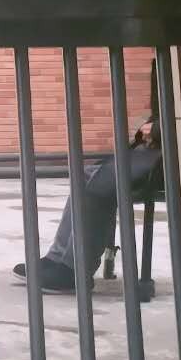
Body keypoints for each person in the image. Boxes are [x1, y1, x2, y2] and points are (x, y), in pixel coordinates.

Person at [13, 105, 163, 294]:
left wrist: (157, 129)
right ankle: (58, 257)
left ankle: (76, 270)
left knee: (99, 183)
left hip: (167, 159)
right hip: (154, 150)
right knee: (85, 176)